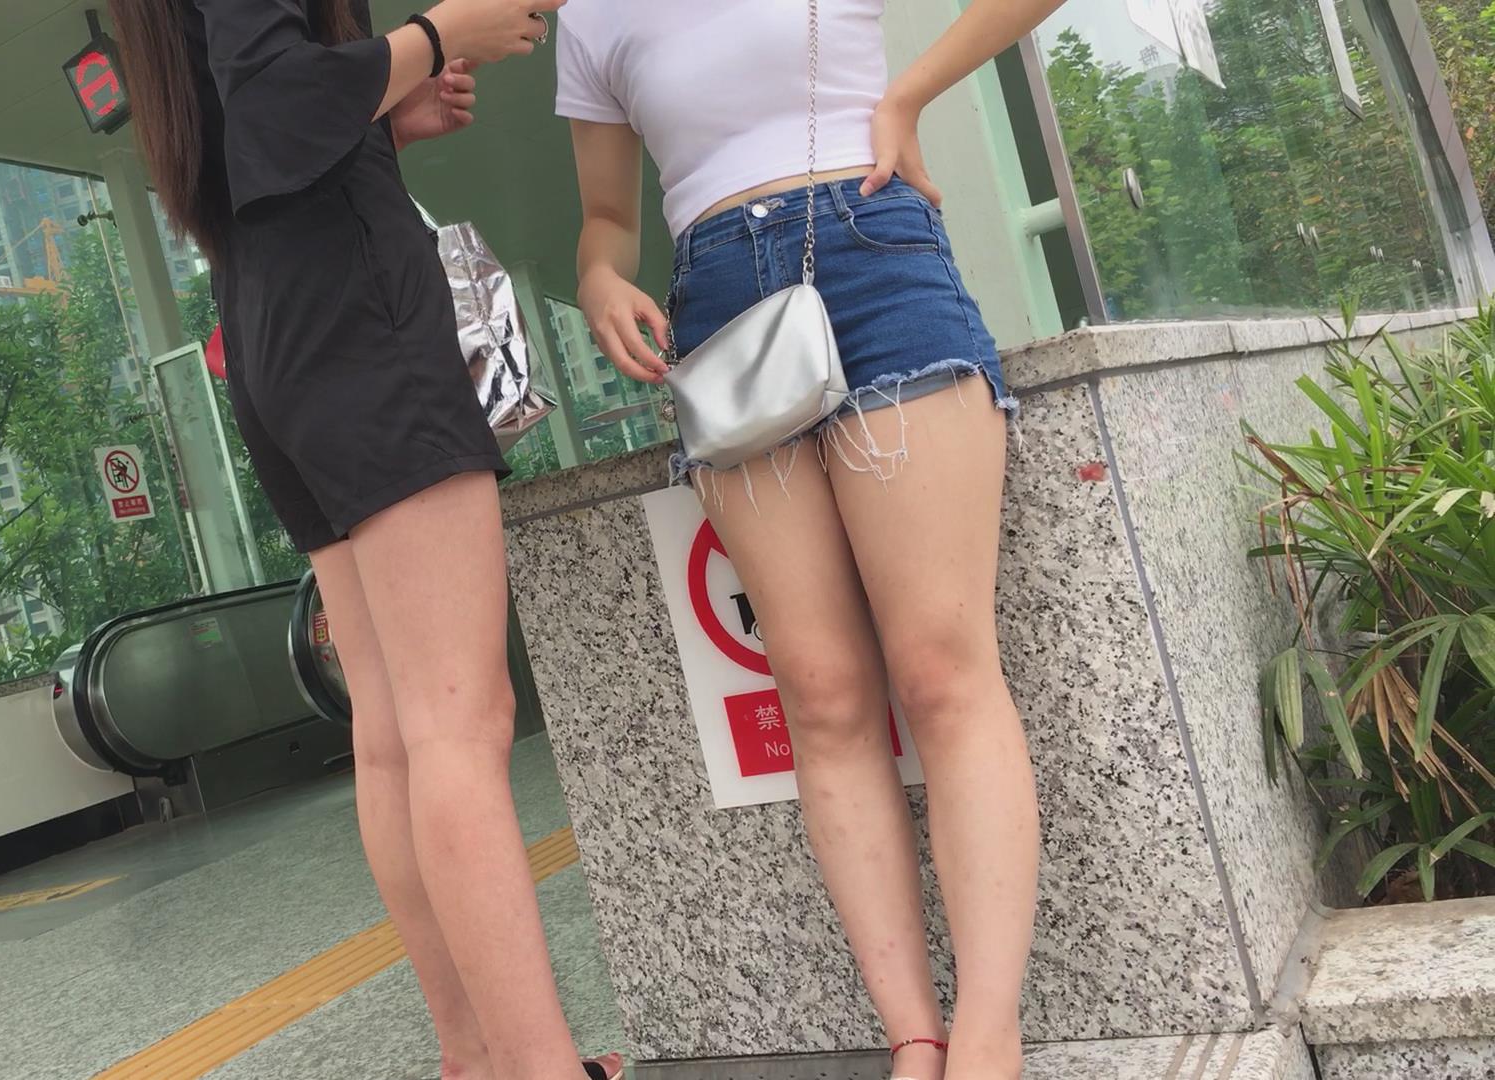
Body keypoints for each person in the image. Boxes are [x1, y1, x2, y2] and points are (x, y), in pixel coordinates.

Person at [107, 2, 620, 1078]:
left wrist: (380, 110)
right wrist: (443, 31)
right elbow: (278, 99)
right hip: (360, 320)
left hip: (272, 321)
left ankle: (476, 1057)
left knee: (396, 729)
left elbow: (249, 128)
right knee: (458, 722)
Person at [559, 2, 1064, 1078]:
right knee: (822, 689)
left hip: (872, 242)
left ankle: (988, 1038)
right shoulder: (587, 16)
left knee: (939, 666)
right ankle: (912, 1038)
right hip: (716, 300)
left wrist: (909, 93)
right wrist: (598, 274)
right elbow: (607, 215)